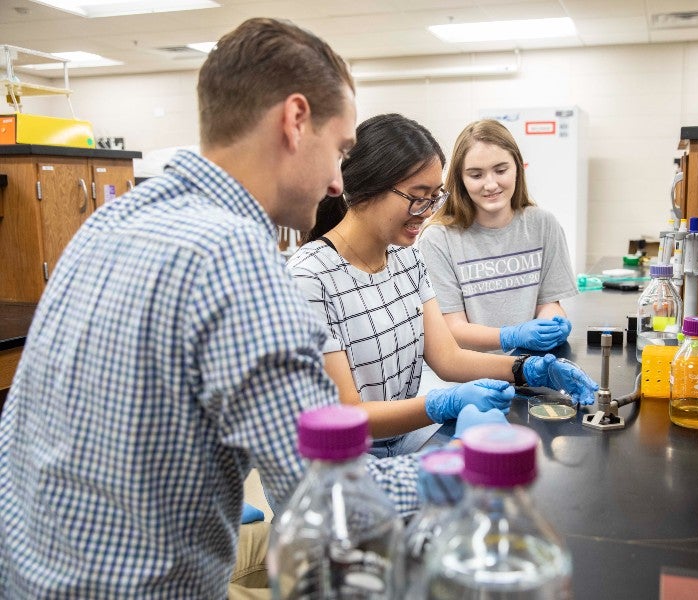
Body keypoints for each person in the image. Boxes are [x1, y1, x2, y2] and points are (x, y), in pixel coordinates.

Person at [0, 19, 495, 598]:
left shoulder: (108, 221)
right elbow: (323, 492)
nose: (340, 183)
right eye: (339, 151)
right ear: (294, 121)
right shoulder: (238, 264)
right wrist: (469, 465)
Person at [285, 113, 599, 458]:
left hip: (400, 439)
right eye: (418, 196)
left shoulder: (406, 259)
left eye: (435, 196)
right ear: (364, 190)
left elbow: (447, 358)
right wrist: (441, 403)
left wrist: (528, 368)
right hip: (341, 460)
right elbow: (346, 415)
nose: (427, 211)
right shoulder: (309, 278)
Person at [418, 119, 579, 353]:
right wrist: (511, 336)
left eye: (501, 170)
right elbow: (452, 328)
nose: (490, 184)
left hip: (529, 365)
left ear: (518, 167)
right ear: (460, 179)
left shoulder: (543, 225)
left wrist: (554, 323)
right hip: (467, 379)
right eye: (476, 175)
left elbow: (548, 303)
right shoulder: (438, 239)